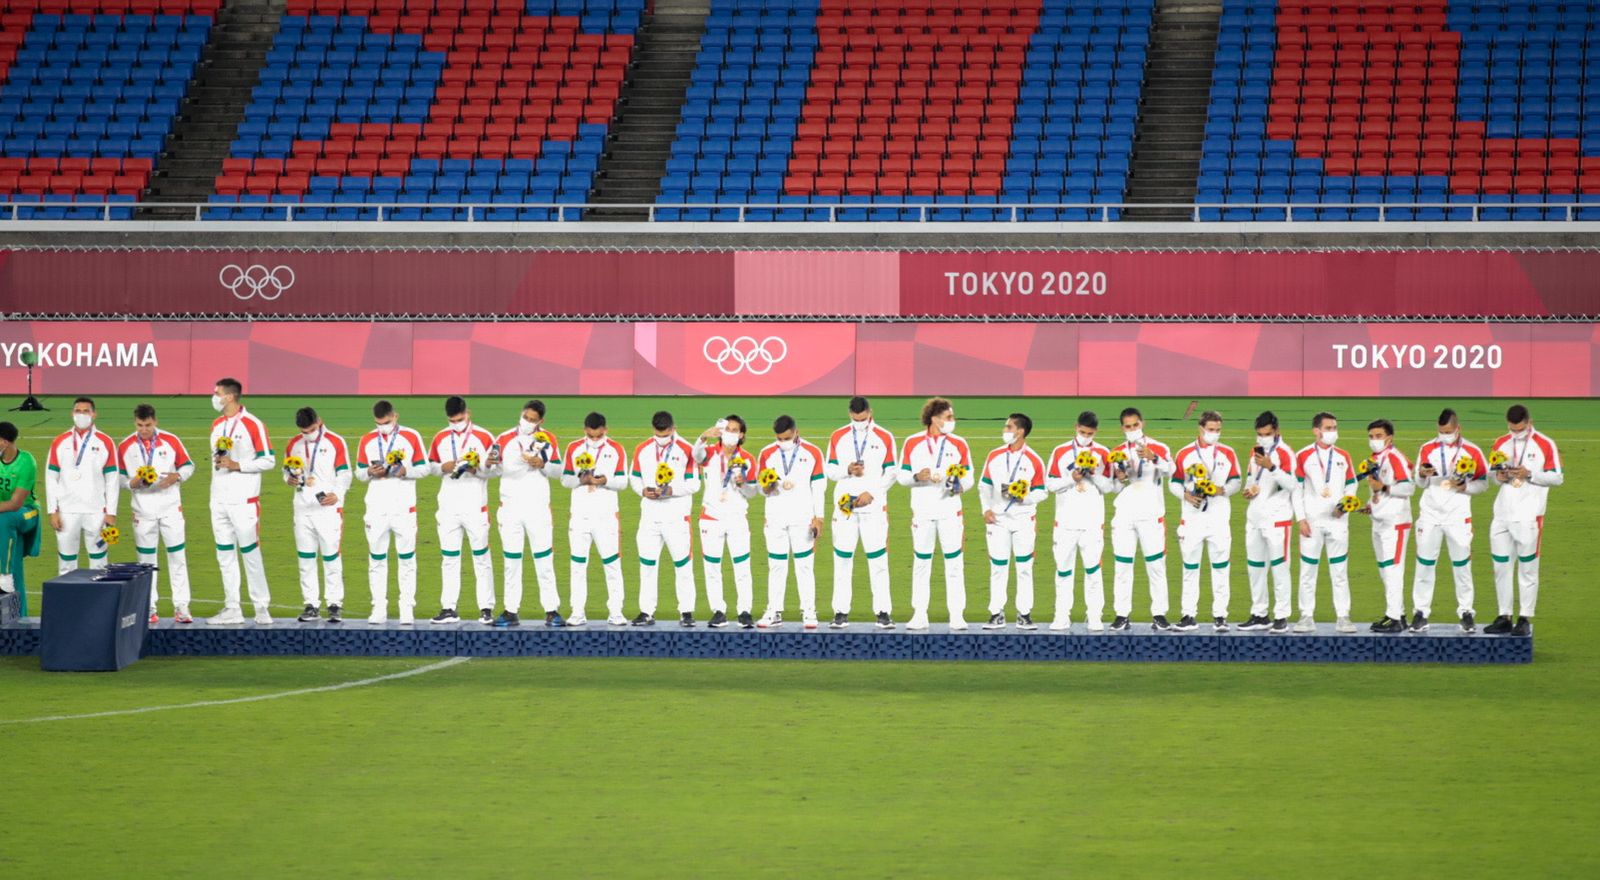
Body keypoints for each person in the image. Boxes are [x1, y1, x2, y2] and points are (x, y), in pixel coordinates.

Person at [1409, 408, 1488, 633]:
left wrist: (1466, 487)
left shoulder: (1472, 451)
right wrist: (1423, 475)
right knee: (1424, 564)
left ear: (1458, 428)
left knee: (1461, 564)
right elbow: (1419, 483)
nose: (1445, 435)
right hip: (1430, 513)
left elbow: (1483, 483)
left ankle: (1466, 612)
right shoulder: (1427, 448)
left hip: (1457, 514)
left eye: (1449, 431)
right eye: (1441, 431)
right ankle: (1420, 613)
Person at [1486, 404, 1562, 636]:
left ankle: (1525, 617)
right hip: (1501, 514)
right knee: (1501, 567)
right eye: (1511, 429)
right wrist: (1498, 476)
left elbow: (1557, 477)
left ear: (1529, 422)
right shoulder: (1501, 442)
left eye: (1519, 429)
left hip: (1529, 515)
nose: (1515, 433)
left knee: (1528, 569)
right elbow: (1492, 475)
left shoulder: (1545, 444)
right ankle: (1504, 615)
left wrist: (1529, 474)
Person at [897, 397, 972, 630]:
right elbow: (901, 477)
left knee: (954, 563)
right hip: (922, 512)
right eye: (949, 417)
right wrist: (918, 477)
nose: (953, 421)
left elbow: (969, 477)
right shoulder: (912, 443)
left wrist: (958, 486)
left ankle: (957, 615)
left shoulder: (959, 444)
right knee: (921, 562)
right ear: (934, 419)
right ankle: (919, 614)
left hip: (950, 512)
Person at [824, 396, 898, 629]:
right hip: (845, 507)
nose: (860, 423)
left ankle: (883, 611)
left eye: (863, 419)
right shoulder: (838, 436)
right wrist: (846, 470)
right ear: (849, 414)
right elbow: (829, 469)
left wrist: (872, 493)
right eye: (856, 420)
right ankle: (840, 612)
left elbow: (892, 471)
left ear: (870, 413)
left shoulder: (885, 436)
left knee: (878, 560)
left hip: (873, 507)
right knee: (843, 559)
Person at [117, 404, 195, 624]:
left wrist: (177, 476)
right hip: (142, 511)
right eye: (140, 425)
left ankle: (182, 607)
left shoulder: (171, 441)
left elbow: (189, 466)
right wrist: (130, 483)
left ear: (155, 421)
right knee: (146, 562)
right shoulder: (125, 446)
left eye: (148, 425)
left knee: (177, 556)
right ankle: (149, 607)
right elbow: (118, 478)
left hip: (171, 509)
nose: (144, 429)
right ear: (135, 423)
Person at [207, 378, 275, 626]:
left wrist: (237, 465)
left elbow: (269, 460)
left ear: (230, 397)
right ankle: (232, 607)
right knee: (224, 554)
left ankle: (261, 608)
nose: (213, 397)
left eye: (217, 393)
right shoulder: (216, 425)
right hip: (219, 500)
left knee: (250, 553)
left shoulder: (253, 424)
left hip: (244, 501)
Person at [354, 400, 428, 625]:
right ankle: (379, 608)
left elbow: (424, 469)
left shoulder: (411, 436)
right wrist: (369, 471)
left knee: (407, 559)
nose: (382, 427)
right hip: (376, 508)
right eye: (378, 424)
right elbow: (357, 473)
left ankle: (407, 608)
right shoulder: (367, 439)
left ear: (395, 416)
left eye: (385, 422)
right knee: (376, 559)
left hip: (403, 508)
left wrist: (406, 471)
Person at [492, 400, 563, 627]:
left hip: (538, 508)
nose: (527, 422)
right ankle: (511, 610)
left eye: (533, 420)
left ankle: (552, 610)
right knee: (511, 561)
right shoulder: (503, 439)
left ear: (541, 421)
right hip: (510, 508)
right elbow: (491, 469)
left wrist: (542, 463)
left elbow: (558, 470)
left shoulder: (548, 439)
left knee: (544, 559)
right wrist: (488, 463)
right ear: (521, 414)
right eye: (526, 417)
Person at [427, 396, 496, 625]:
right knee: (449, 558)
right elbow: (430, 466)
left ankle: (486, 608)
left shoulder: (484, 437)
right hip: (447, 507)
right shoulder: (440, 437)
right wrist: (442, 467)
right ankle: (448, 607)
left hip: (475, 506)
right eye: (451, 420)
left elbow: (495, 470)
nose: (455, 423)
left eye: (459, 419)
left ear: (468, 413)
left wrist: (478, 470)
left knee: (481, 557)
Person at [1169, 410, 1241, 632]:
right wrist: (1186, 496)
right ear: (1200, 428)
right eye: (1211, 430)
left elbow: (1236, 481)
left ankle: (1220, 616)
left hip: (1219, 519)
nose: (1214, 434)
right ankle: (1188, 615)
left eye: (1218, 430)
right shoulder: (1185, 453)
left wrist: (1221, 490)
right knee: (1190, 568)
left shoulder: (1228, 453)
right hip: (1192, 519)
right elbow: (1174, 482)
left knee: (1221, 568)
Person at [754, 415, 826, 629]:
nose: (782, 442)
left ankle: (809, 610)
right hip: (775, 516)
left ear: (796, 432)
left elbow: (819, 486)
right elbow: (761, 486)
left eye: (786, 438)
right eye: (779, 438)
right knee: (776, 564)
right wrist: (765, 488)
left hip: (803, 517)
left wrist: (819, 517)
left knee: (804, 565)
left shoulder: (812, 452)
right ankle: (774, 610)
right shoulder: (767, 453)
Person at [629, 410, 700, 626]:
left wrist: (671, 491)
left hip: (676, 516)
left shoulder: (687, 450)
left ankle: (686, 611)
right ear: (653, 430)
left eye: (665, 433)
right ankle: (646, 611)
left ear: (673, 428)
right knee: (647, 564)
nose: (661, 438)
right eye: (658, 434)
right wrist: (643, 490)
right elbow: (634, 477)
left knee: (682, 564)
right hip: (649, 516)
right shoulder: (642, 449)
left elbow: (694, 484)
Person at [1044, 411, 1113, 631]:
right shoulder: (1061, 451)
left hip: (1092, 522)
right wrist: (1070, 478)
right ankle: (1061, 616)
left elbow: (1109, 487)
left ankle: (1094, 617)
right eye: (1082, 432)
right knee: (1063, 571)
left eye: (1089, 433)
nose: (1085, 436)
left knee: (1093, 570)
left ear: (1096, 432)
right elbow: (1050, 485)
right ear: (1076, 427)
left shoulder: (1103, 453)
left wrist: (1094, 474)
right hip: (1065, 522)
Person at [1108, 407, 1174, 632]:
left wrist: (1153, 457)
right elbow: (1114, 487)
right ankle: (1121, 615)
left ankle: (1159, 614)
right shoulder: (1117, 452)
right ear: (1122, 428)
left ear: (1142, 424)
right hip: (1125, 515)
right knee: (1123, 566)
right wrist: (1120, 478)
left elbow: (1170, 471)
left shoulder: (1159, 447)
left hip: (1151, 515)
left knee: (1156, 565)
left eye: (1135, 425)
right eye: (1127, 427)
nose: (1132, 430)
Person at [283, 407, 351, 623]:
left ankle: (334, 604)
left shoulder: (335, 442)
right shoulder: (294, 444)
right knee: (306, 558)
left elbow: (345, 473)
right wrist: (289, 479)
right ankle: (311, 604)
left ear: (319, 421)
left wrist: (337, 494)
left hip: (327, 509)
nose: (308, 434)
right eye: (304, 431)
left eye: (311, 430)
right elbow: (286, 470)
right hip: (302, 508)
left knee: (331, 557)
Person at [979, 413, 1047, 630]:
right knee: (997, 567)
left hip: (1024, 520)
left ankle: (1024, 614)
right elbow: (984, 485)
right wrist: (986, 509)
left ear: (1020, 432)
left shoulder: (1034, 459)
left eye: (1008, 427)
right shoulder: (995, 455)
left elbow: (1042, 491)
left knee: (1024, 567)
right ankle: (996, 613)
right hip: (997, 520)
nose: (1005, 430)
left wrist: (1024, 497)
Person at [562, 412, 629, 626]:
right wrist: (579, 480)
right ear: (584, 431)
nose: (593, 439)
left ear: (605, 430)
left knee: (612, 564)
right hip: (580, 516)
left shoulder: (616, 449)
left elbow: (623, 482)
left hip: (606, 516)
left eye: (597, 436)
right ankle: (577, 611)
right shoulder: (573, 448)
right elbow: (564, 480)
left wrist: (603, 480)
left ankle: (616, 611)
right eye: (590, 436)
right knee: (578, 565)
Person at [1293, 412, 1358, 633]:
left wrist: (1346, 504)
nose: (1333, 432)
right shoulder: (1303, 455)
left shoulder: (1343, 456)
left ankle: (1343, 616)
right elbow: (1296, 490)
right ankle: (1306, 616)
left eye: (1334, 427)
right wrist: (1300, 518)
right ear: (1316, 430)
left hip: (1338, 522)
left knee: (1339, 570)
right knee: (1308, 571)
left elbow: (1352, 485)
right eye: (1328, 428)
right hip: (1311, 523)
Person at [693, 415, 756, 628]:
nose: (730, 432)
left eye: (734, 429)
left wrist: (743, 483)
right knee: (712, 567)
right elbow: (696, 454)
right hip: (711, 517)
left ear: (741, 435)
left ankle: (745, 611)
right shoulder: (709, 453)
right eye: (727, 428)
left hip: (737, 518)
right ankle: (718, 610)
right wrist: (703, 437)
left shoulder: (747, 459)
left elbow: (752, 492)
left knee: (742, 566)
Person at [44, 396, 119, 576]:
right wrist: (52, 510)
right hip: (66, 510)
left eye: (86, 411)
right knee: (66, 563)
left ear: (94, 415)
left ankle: (101, 603)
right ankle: (67, 602)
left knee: (99, 562)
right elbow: (50, 477)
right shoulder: (60, 441)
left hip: (96, 511)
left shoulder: (105, 441)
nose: (82, 414)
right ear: (72, 414)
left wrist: (111, 512)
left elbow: (113, 479)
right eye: (78, 411)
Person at [1239, 412, 1298, 633]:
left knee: (1280, 567)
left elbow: (1293, 484)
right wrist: (1249, 489)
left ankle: (1281, 615)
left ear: (1277, 432)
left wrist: (1272, 467)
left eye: (1267, 434)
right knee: (1255, 568)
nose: (1263, 438)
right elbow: (1250, 479)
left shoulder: (1286, 453)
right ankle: (1259, 613)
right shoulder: (1254, 452)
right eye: (1260, 434)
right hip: (1254, 517)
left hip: (1277, 519)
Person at [1363, 419, 1416, 634]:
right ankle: (1397, 613)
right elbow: (1380, 490)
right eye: (1371, 436)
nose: (1374, 440)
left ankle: (1394, 617)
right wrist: (1370, 504)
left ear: (1389, 437)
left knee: (1393, 569)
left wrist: (1384, 487)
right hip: (1379, 521)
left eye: (1378, 436)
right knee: (1385, 570)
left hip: (1396, 523)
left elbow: (1409, 487)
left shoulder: (1395, 457)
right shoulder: (1376, 459)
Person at [0, 422, 42, 617]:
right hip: (4, 519)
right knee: (13, 553)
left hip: (27, 513)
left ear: (4, 442)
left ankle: (4, 574)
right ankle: (18, 615)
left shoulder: (26, 461)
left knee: (8, 519)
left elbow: (16, 503)